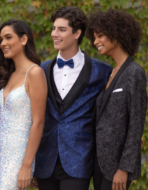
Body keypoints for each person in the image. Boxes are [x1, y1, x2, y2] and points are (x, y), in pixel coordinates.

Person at [33, 7, 112, 190]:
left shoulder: (102, 71)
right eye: (54, 28)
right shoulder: (40, 70)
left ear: (77, 33)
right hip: (46, 159)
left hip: (79, 159)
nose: (55, 34)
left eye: (61, 29)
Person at [86, 8, 147, 190]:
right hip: (100, 162)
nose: (95, 41)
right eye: (94, 37)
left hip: (117, 167)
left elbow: (136, 124)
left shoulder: (134, 72)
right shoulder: (110, 73)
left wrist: (124, 168)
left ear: (117, 35)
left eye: (101, 36)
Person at [0, 19, 47, 190]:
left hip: (18, 155)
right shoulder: (6, 74)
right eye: (1, 40)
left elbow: (38, 122)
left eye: (8, 37)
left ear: (24, 39)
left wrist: (27, 165)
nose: (3, 43)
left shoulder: (35, 73)